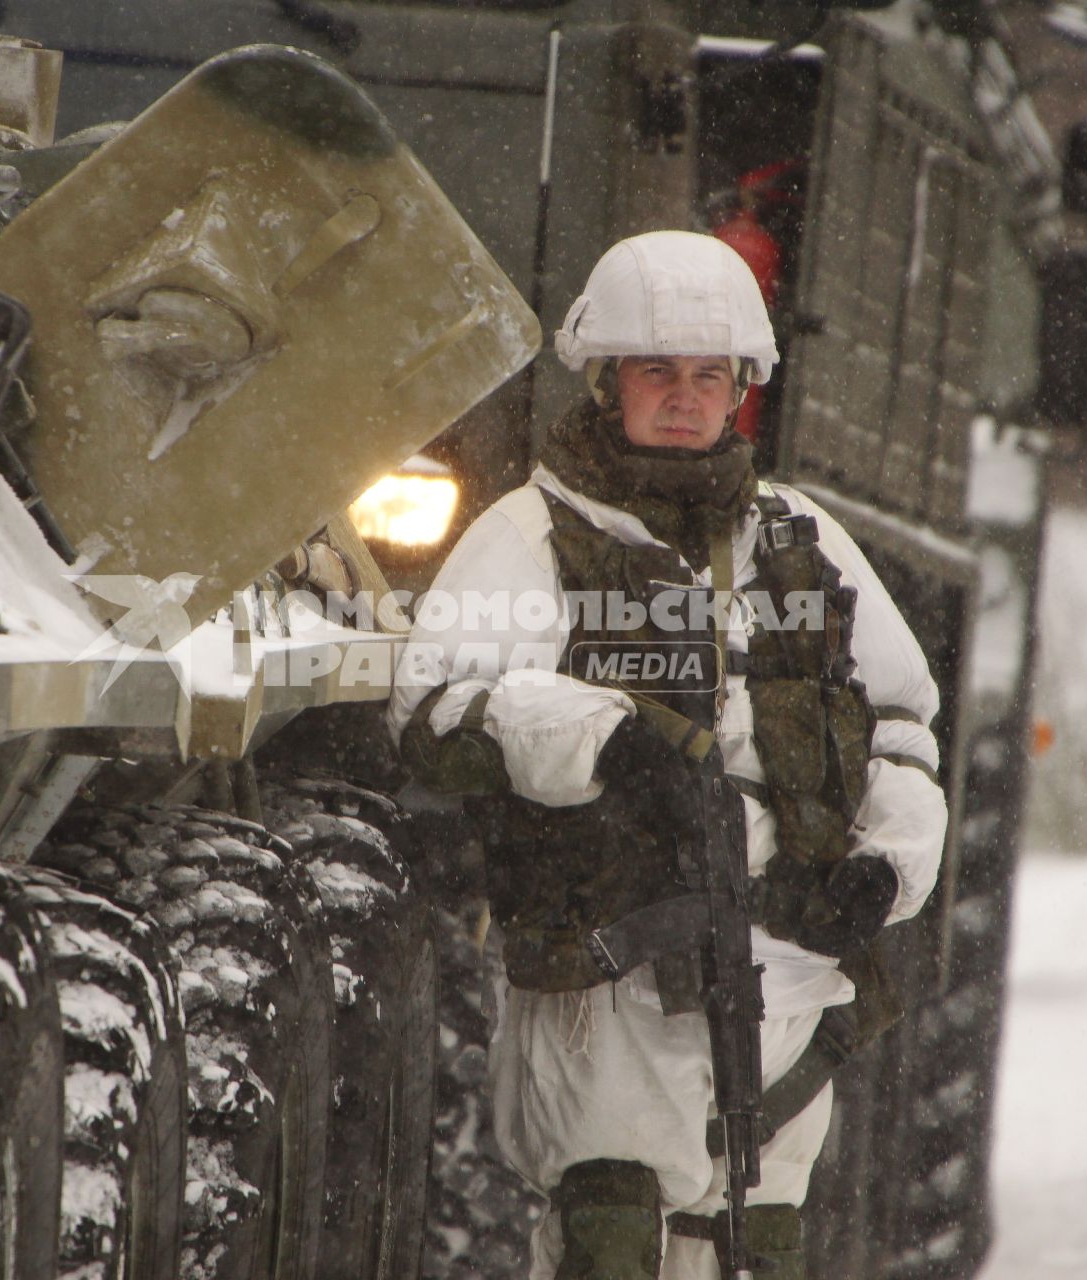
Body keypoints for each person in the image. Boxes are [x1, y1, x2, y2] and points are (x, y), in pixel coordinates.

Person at [388, 230, 948, 1280]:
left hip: (784, 979)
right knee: (607, 1231)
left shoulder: (802, 539)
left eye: (708, 375)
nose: (685, 398)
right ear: (608, 381)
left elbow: (899, 730)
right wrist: (606, 740)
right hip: (612, 979)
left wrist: (885, 865)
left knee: (754, 1244)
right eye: (657, 372)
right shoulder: (535, 534)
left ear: (740, 387)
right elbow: (435, 705)